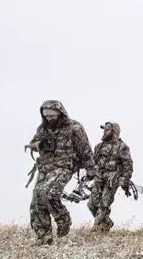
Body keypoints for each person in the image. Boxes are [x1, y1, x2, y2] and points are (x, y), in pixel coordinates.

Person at [26, 100, 95, 245]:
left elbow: (85, 149)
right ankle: (44, 237)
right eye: (46, 116)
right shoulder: (43, 128)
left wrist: (90, 169)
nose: (49, 118)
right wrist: (37, 144)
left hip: (64, 167)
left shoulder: (74, 127)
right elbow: (33, 143)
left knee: (49, 193)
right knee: (37, 201)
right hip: (45, 168)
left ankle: (63, 219)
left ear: (60, 113)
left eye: (52, 115)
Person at [88, 122, 133, 231]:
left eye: (107, 130)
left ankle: (96, 229)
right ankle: (107, 223)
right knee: (92, 204)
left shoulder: (122, 147)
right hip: (99, 177)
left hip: (112, 180)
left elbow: (128, 165)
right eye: (104, 130)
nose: (104, 132)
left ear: (114, 132)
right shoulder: (98, 146)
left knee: (104, 204)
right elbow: (93, 162)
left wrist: (125, 180)